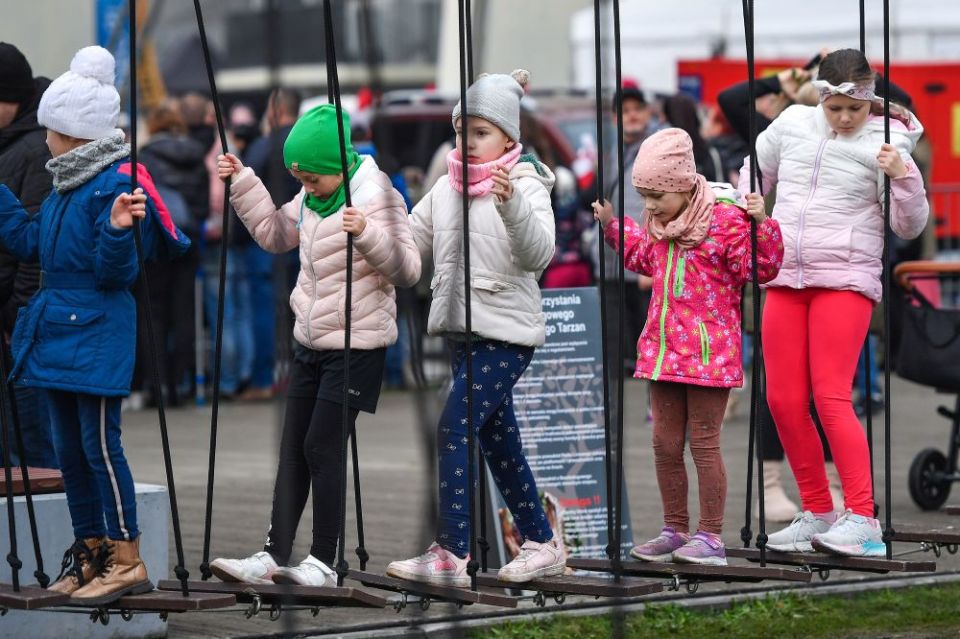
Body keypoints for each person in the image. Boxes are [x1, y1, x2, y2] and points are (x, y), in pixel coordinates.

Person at [0, 46, 189, 603]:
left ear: (75, 134)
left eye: (52, 131)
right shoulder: (67, 185)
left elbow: (119, 272)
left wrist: (114, 230)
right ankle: (90, 550)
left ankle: (125, 555)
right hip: (59, 329)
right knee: (68, 450)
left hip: (96, 329)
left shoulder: (109, 185)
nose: (45, 140)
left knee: (99, 448)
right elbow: (35, 243)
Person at [209, 104, 420, 586]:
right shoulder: (310, 201)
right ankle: (273, 553)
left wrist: (366, 234)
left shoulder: (376, 195)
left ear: (338, 168)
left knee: (321, 448)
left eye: (313, 180)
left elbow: (408, 271)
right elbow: (274, 234)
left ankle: (325, 559)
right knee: (291, 451)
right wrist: (243, 182)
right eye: (300, 181)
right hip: (309, 340)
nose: (307, 190)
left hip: (357, 344)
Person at [387, 69, 565, 585]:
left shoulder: (527, 185)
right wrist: (369, 235)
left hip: (507, 332)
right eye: (462, 130)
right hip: (463, 331)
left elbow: (539, 254)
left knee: (452, 424)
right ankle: (539, 540)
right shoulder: (446, 186)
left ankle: (452, 552)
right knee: (499, 441)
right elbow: (409, 246)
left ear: (510, 138)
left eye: (481, 132)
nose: (468, 141)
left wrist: (510, 205)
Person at [749, 49, 929, 557]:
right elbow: (753, 173)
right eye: (837, 108)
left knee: (829, 397)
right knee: (782, 401)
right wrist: (750, 205)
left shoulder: (887, 143)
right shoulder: (791, 123)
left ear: (871, 100)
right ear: (822, 97)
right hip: (785, 274)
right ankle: (818, 513)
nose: (847, 118)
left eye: (857, 108)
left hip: (845, 279)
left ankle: (863, 518)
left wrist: (904, 176)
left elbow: (909, 227)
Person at [592, 128, 783, 565]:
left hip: (708, 354)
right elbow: (642, 256)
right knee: (663, 443)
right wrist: (613, 228)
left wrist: (763, 225)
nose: (650, 205)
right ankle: (675, 528)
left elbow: (761, 268)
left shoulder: (725, 221)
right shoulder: (658, 225)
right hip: (662, 350)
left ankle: (710, 536)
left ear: (681, 185)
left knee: (704, 443)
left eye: (657, 194)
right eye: (644, 195)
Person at [0, 42, 56, 467]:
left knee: (31, 451)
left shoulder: (36, 149)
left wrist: (16, 320)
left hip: (20, 329)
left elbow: (37, 246)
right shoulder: (13, 141)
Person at [136, 99, 208, 406]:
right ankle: (182, 383)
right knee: (184, 312)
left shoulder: (144, 158)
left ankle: (157, 385)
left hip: (156, 243)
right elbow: (203, 206)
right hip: (188, 239)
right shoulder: (197, 157)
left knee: (153, 313)